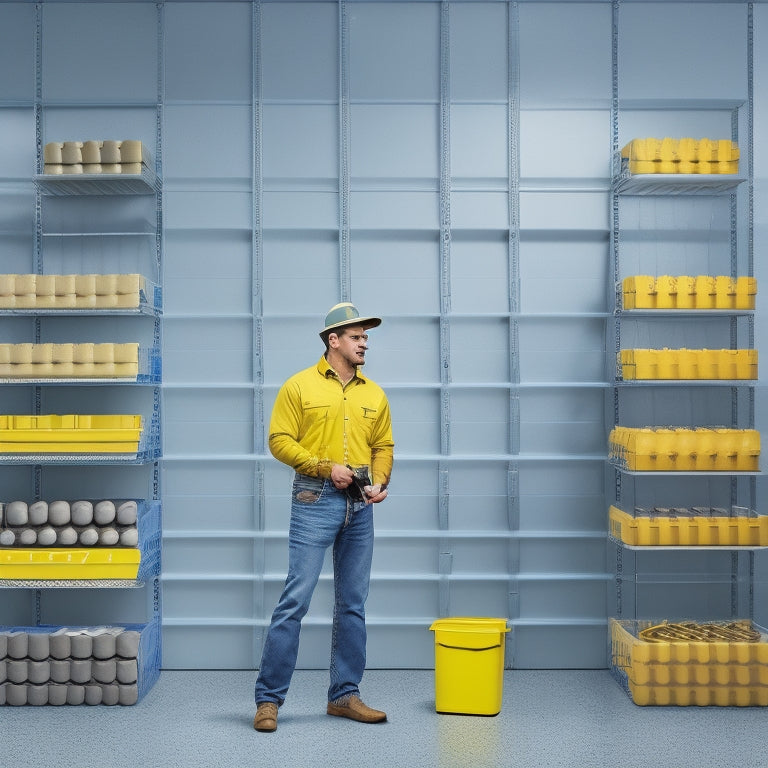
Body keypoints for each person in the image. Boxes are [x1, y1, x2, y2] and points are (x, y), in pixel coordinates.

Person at [254, 302, 394, 732]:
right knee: (295, 600)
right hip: (314, 499)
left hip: (360, 505)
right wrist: (321, 466)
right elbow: (279, 440)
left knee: (353, 604)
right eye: (357, 336)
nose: (364, 342)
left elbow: (383, 445)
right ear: (333, 340)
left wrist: (379, 482)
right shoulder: (299, 387)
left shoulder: (374, 393)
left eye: (366, 336)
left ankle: (345, 695)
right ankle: (268, 701)